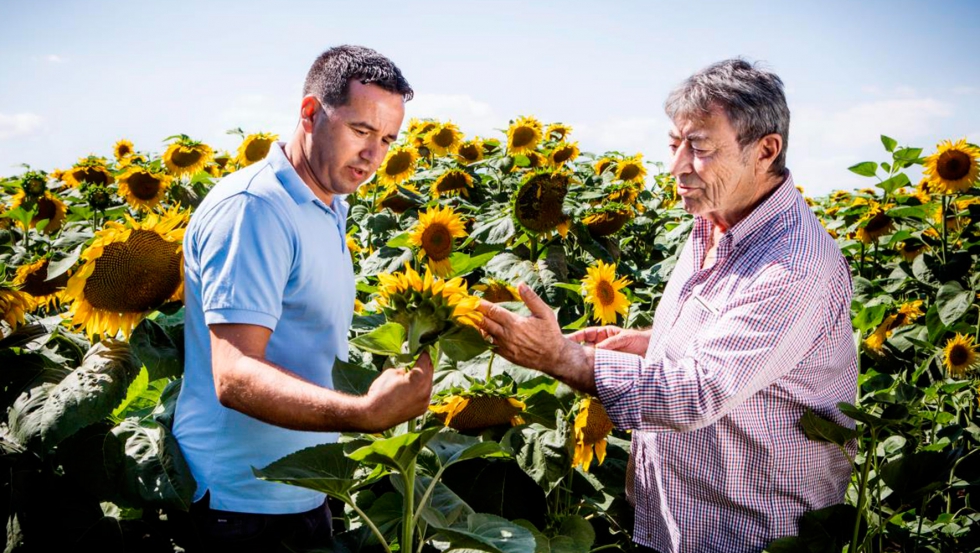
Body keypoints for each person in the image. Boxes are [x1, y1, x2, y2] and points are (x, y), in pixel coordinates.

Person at [478, 59, 857, 553]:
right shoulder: (713, 223)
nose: (677, 166)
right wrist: (653, 345)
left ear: (765, 151)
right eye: (674, 145)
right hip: (678, 518)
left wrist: (562, 358)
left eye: (698, 148)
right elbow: (745, 356)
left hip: (745, 533)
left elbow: (698, 392)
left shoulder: (792, 265)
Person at [173, 45, 433, 552]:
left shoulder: (326, 205)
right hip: (241, 505)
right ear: (310, 114)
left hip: (302, 490)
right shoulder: (255, 209)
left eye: (387, 139)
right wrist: (363, 413)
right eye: (361, 131)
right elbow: (235, 374)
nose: (375, 156)